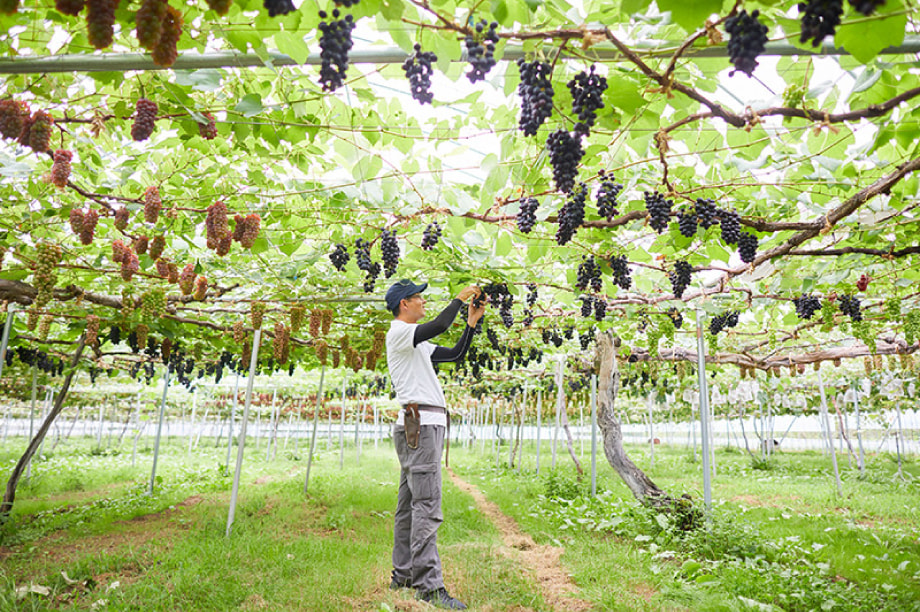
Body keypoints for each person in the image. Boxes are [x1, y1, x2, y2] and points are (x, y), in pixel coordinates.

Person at [385, 279, 485, 610]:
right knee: (426, 505)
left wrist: (470, 324)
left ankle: (403, 575)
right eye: (420, 298)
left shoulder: (413, 342)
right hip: (421, 423)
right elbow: (441, 324)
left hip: (418, 421)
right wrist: (459, 298)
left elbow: (455, 353)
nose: (424, 303)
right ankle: (429, 587)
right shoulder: (400, 332)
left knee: (410, 506)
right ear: (405, 304)